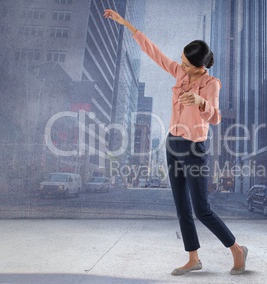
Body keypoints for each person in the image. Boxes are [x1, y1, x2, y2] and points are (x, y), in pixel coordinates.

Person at [103, 8, 248, 276]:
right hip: (173, 144)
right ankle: (193, 258)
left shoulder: (211, 84)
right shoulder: (181, 75)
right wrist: (126, 24)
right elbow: (154, 52)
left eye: (186, 63)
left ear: (200, 66)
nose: (180, 66)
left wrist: (200, 101)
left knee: (202, 210)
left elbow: (215, 118)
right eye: (180, 60)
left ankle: (237, 249)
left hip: (194, 148)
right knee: (182, 208)